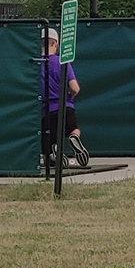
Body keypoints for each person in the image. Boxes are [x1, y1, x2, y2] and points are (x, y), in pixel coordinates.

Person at [41, 27, 88, 168]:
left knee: (49, 140)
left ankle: (55, 152)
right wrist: (70, 98)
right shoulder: (63, 62)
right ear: (56, 44)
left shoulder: (36, 64)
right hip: (66, 106)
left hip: (46, 109)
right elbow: (75, 88)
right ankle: (74, 138)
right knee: (73, 129)